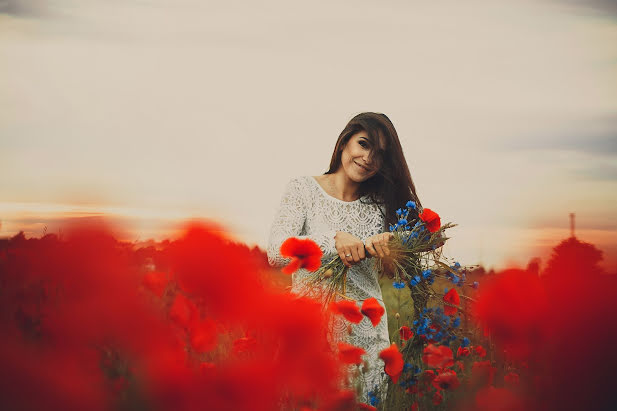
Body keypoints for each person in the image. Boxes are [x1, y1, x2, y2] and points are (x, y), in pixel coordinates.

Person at [267, 112, 422, 404]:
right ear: (344, 143)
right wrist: (332, 239)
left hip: (365, 337)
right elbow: (276, 250)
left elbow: (408, 257)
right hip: (309, 334)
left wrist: (391, 244)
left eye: (379, 155)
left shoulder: (382, 207)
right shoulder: (303, 190)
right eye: (363, 144)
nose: (368, 158)